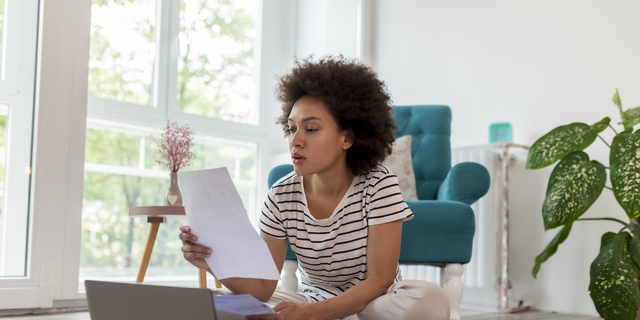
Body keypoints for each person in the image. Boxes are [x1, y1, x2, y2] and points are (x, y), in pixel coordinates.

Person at [179, 56, 450, 320]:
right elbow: (263, 288)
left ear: (348, 137)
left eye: (310, 129)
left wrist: (311, 315)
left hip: (374, 303)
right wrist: (216, 264)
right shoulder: (280, 196)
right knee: (222, 302)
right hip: (312, 301)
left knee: (431, 301)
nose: (295, 141)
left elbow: (380, 280)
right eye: (291, 128)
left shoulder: (379, 183)